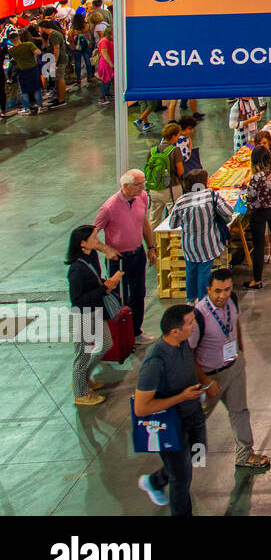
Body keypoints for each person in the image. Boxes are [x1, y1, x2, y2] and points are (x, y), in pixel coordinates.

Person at [188, 269, 270, 472]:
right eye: (217, 291)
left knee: (239, 411)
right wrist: (206, 382)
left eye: (226, 289)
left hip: (233, 368)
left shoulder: (232, 301)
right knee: (196, 417)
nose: (222, 295)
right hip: (211, 377)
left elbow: (235, 323)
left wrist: (240, 351)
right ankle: (177, 454)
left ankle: (244, 454)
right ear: (208, 289)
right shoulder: (199, 315)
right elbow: (189, 354)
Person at [135, 305, 210, 516]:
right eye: (190, 323)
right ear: (175, 330)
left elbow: (190, 363)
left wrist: (205, 381)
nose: (194, 326)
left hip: (193, 413)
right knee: (181, 478)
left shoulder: (182, 342)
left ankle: (154, 481)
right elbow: (141, 408)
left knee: (197, 456)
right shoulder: (155, 361)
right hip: (171, 424)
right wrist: (181, 397)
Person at [93, 170, 159, 346]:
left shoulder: (142, 197)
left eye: (143, 183)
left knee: (139, 294)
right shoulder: (109, 208)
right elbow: (91, 236)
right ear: (125, 186)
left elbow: (144, 222)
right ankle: (118, 337)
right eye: (139, 185)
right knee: (118, 298)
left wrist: (151, 247)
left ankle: (136, 332)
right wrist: (105, 249)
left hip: (137, 254)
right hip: (119, 259)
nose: (142, 188)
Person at [67, 224, 119, 406]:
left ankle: (83, 379)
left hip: (96, 311)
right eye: (94, 238)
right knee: (83, 354)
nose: (98, 241)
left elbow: (95, 281)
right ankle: (81, 393)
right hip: (83, 315)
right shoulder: (76, 269)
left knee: (105, 344)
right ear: (83, 243)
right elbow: (77, 299)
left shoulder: (92, 256)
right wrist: (102, 290)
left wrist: (106, 284)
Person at [168, 170, 233, 302]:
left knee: (190, 272)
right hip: (207, 244)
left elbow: (173, 224)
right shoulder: (211, 196)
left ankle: (190, 300)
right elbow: (228, 211)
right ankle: (203, 301)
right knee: (204, 272)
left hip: (189, 245)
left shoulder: (181, 201)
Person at [244, 145, 271, 289]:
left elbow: (251, 197)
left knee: (259, 246)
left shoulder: (256, 177)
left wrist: (252, 205)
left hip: (260, 212)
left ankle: (257, 280)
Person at [6, 29, 42, 114]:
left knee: (24, 90)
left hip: (21, 70)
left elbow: (11, 60)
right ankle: (40, 106)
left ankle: (27, 108)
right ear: (18, 37)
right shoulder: (29, 44)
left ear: (11, 41)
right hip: (33, 69)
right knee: (36, 88)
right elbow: (38, 52)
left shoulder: (11, 50)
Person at [94, 27, 115, 105]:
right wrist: (110, 63)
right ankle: (102, 97)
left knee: (108, 80)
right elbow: (104, 53)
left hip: (109, 62)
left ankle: (107, 94)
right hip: (105, 64)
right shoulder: (104, 41)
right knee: (106, 81)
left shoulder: (109, 40)